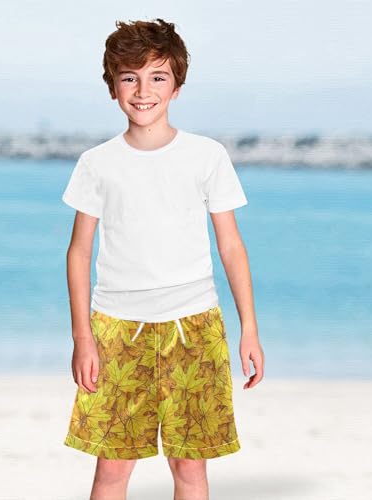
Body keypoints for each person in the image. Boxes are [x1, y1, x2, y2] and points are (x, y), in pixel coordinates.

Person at [61, 18, 264, 500]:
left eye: (157, 77)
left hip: (194, 327)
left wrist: (249, 329)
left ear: (177, 86)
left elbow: (231, 246)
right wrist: (83, 337)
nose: (143, 91)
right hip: (116, 330)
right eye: (129, 78)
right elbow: (79, 251)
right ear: (112, 86)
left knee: (190, 468)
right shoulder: (97, 163)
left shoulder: (207, 156)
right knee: (112, 469)